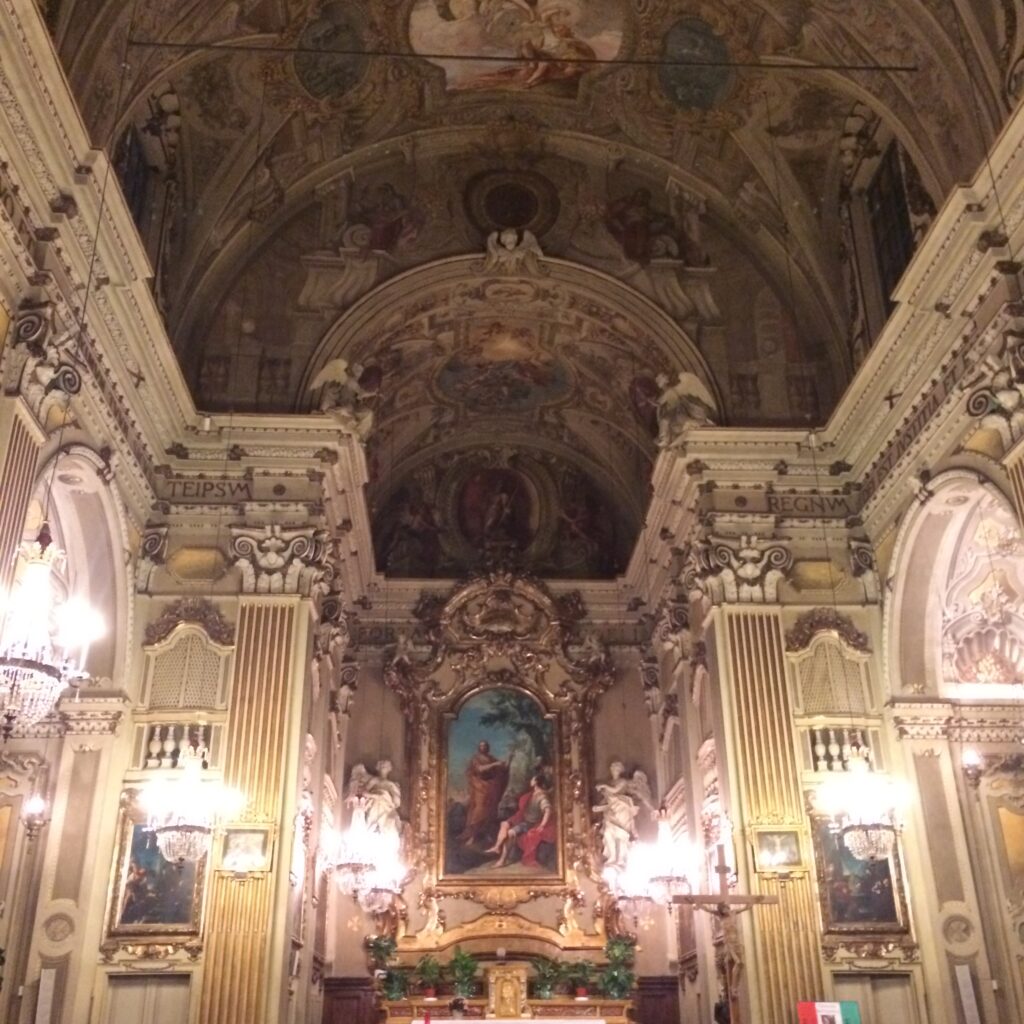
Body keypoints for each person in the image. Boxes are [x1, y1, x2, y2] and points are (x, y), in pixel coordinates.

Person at [485, 773, 555, 868]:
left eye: (532, 779)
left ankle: (501, 858)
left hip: (532, 824)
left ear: (536, 782)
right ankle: (499, 854)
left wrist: (542, 826)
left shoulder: (541, 796)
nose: (530, 781)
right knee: (509, 831)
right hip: (525, 822)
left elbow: (548, 810)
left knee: (509, 832)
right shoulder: (533, 794)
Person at [458, 741, 509, 845]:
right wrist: (495, 764)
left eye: (485, 746)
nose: (483, 747)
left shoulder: (491, 758)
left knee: (490, 810)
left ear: (488, 747)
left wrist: (510, 760)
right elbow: (480, 769)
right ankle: (472, 836)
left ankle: (486, 834)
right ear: (479, 748)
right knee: (479, 810)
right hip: (480, 787)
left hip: (491, 788)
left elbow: (502, 770)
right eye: (481, 746)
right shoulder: (476, 758)